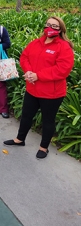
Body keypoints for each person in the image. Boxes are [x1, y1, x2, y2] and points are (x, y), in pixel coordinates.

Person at [4, 16, 74, 159]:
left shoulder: (63, 46)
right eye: (48, 25)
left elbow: (62, 69)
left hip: (52, 93)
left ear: (60, 30)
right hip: (33, 89)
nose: (50, 28)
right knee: (26, 115)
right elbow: (25, 57)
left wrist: (38, 75)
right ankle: (20, 139)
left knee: (48, 120)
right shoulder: (36, 43)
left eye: (55, 26)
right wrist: (29, 72)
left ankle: (44, 148)